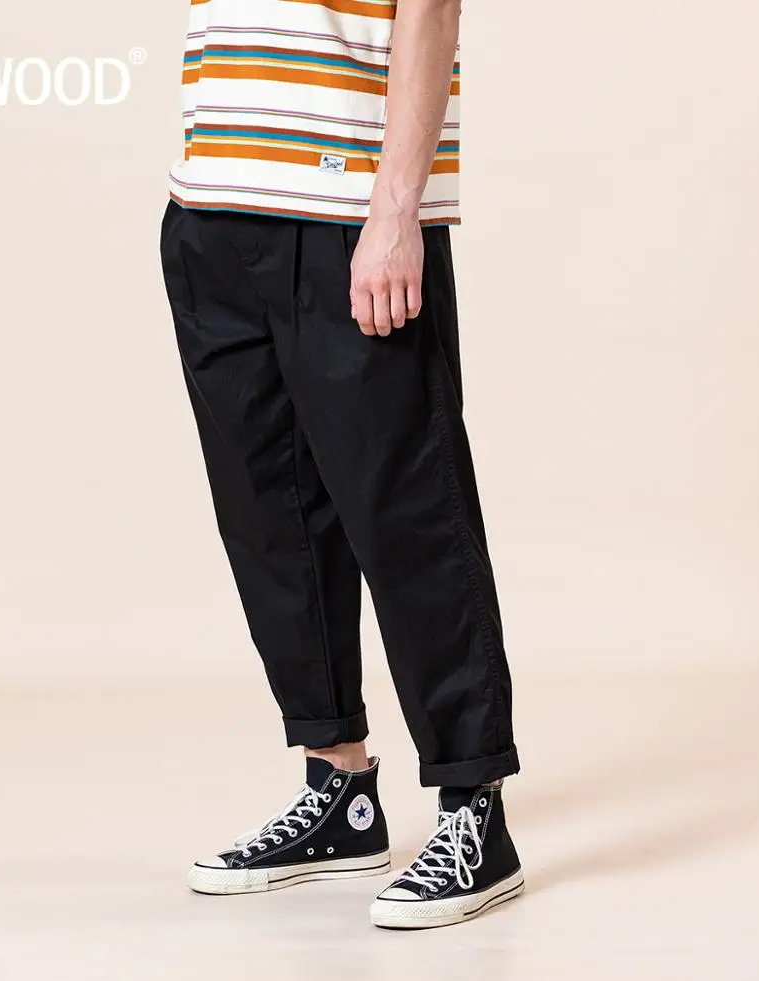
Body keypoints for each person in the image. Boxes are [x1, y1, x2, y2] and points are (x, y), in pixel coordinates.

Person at [160, 0, 522, 930]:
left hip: (346, 216)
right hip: (213, 204)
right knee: (270, 518)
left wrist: (396, 215)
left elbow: (430, 11)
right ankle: (340, 792)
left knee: (409, 513)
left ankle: (474, 810)